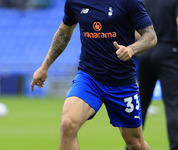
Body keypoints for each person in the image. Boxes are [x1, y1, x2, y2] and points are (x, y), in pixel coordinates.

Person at [31, 0, 157, 149]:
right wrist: (45, 66)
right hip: (89, 78)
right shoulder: (74, 1)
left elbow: (150, 36)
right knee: (67, 125)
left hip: (121, 81)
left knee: (135, 143)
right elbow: (64, 33)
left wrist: (131, 49)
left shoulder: (129, 1)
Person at [125, 0, 178, 150]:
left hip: (147, 55)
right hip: (169, 53)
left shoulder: (145, 1)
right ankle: (175, 147)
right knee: (172, 106)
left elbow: (135, 31)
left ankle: (130, 147)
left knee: (142, 105)